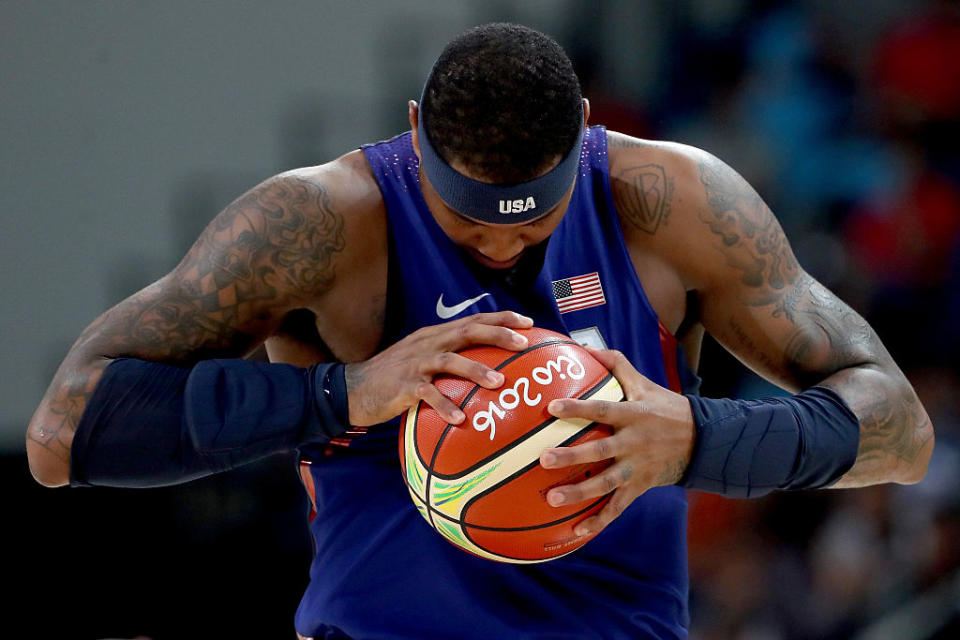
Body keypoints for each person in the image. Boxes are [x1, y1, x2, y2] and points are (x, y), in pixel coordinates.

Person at [26, 23, 933, 639]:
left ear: (584, 133)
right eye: (468, 221)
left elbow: (901, 429)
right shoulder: (320, 225)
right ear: (415, 133)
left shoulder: (671, 204)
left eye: (533, 220)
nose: (501, 243)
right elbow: (64, 433)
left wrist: (697, 437)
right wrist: (339, 396)